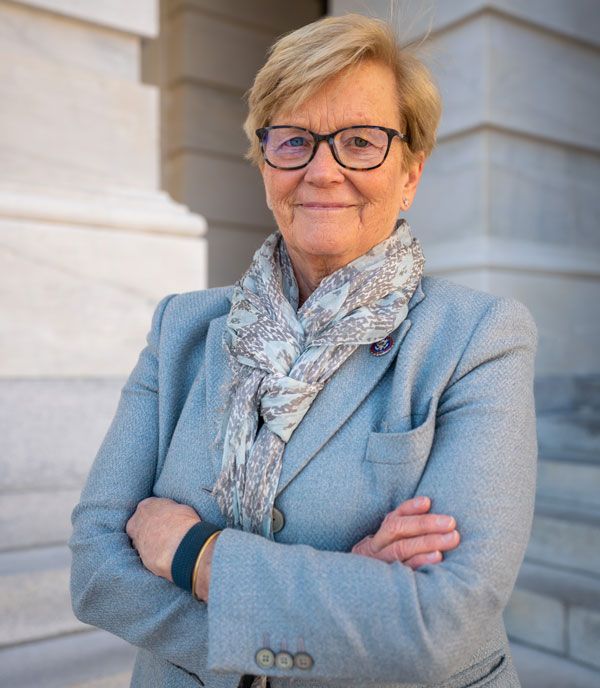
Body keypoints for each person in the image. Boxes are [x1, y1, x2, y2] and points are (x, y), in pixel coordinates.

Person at [69, 13, 538, 688]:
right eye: (293, 141)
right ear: (266, 163)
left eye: (360, 141)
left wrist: (195, 555)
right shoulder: (182, 331)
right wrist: (340, 612)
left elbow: (442, 620)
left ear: (410, 172)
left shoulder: (477, 338)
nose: (323, 170)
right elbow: (95, 572)